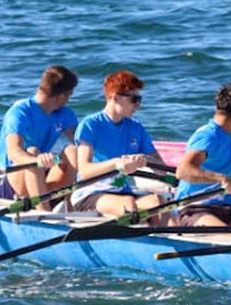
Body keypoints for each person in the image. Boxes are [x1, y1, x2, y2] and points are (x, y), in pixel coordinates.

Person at [70, 70, 167, 217]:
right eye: (134, 99)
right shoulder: (90, 125)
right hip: (90, 193)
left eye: (139, 99)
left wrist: (145, 160)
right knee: (128, 204)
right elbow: (84, 171)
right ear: (115, 98)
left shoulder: (136, 127)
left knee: (158, 203)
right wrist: (117, 163)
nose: (138, 105)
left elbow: (162, 170)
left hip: (122, 192)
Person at [173, 83, 231, 228]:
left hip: (228, 207)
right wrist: (223, 179)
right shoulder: (207, 136)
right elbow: (183, 171)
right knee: (226, 234)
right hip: (196, 206)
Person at [0, 65, 81, 201]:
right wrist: (36, 161)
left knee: (73, 151)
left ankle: (70, 208)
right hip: (8, 181)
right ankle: (43, 209)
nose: (68, 100)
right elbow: (14, 153)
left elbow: (83, 144)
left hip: (40, 176)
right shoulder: (19, 113)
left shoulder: (65, 114)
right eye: (70, 95)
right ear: (61, 96)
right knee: (32, 151)